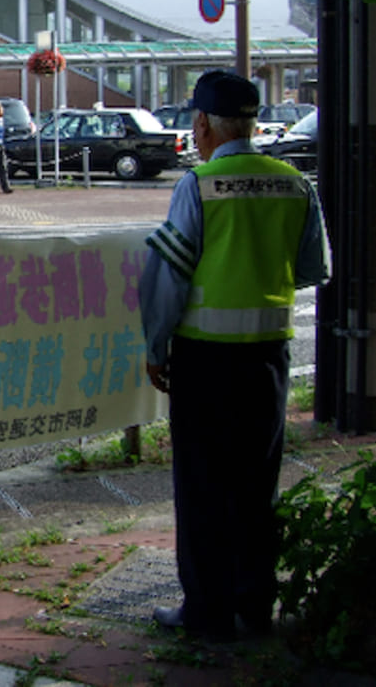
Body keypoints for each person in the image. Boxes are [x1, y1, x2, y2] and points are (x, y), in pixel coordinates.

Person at [139, 69, 331, 641]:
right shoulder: (295, 184)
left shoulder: (198, 185)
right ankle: (255, 603)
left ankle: (206, 610)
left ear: (201, 125)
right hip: (269, 360)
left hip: (204, 361)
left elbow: (166, 279)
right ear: (250, 122)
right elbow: (311, 270)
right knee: (256, 484)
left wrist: (155, 346)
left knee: (201, 487)